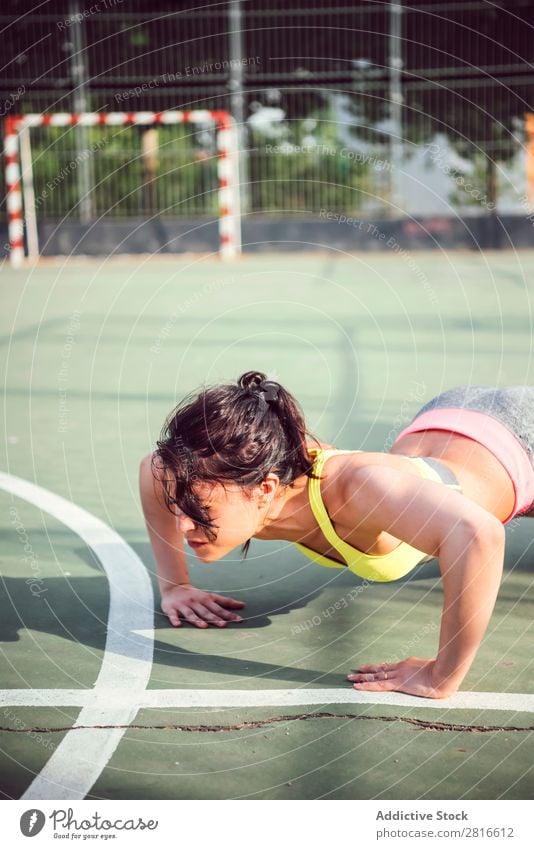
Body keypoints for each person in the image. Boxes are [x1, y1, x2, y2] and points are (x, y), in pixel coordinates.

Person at [139, 371, 534, 700]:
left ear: (265, 490)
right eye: (178, 504)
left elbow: (479, 535)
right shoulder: (205, 474)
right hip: (451, 420)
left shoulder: (358, 488)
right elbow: (152, 469)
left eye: (199, 513)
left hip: (522, 442)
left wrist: (442, 675)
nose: (182, 524)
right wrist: (175, 585)